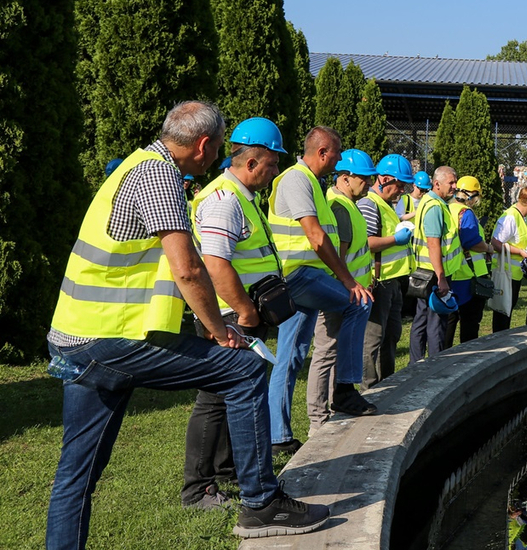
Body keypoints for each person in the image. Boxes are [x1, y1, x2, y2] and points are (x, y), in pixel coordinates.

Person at [45, 102, 328, 548]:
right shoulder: (159, 177)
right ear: (204, 145)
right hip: (110, 339)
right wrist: (221, 331)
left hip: (74, 339)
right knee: (246, 369)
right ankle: (260, 504)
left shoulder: (136, 165)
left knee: (75, 476)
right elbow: (190, 269)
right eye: (217, 150)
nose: (216, 160)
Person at [182, 117, 285, 510]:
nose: (276, 172)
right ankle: (198, 489)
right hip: (228, 316)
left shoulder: (241, 196)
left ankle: (227, 472)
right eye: (273, 164)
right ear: (252, 162)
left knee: (231, 398)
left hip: (238, 314)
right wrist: (245, 312)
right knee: (213, 400)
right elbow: (216, 264)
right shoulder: (225, 200)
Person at [267, 127, 374, 455]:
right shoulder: (296, 179)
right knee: (358, 303)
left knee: (290, 356)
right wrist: (347, 281)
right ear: (323, 151)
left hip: (304, 279)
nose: (339, 160)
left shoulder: (313, 183)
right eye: (337, 154)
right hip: (299, 277)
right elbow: (315, 237)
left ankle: (278, 436)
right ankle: (344, 390)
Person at [307, 149, 378, 433]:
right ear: (345, 178)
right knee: (326, 350)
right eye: (364, 178)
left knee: (332, 350)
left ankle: (336, 405)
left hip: (348, 291)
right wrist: (349, 286)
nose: (369, 184)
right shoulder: (340, 207)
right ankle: (318, 419)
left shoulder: (347, 204)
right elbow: (340, 255)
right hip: (342, 293)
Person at [358, 154, 415, 389]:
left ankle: (388, 383)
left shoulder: (385, 205)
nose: (402, 191)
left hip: (392, 282)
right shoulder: (369, 204)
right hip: (377, 282)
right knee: (373, 338)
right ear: (383, 179)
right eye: (399, 185)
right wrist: (396, 239)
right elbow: (368, 243)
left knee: (390, 336)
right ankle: (369, 388)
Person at [410, 166, 462, 357]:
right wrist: (441, 278)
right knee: (436, 323)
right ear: (437, 183)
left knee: (421, 320)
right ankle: (435, 364)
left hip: (425, 271)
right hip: (434, 274)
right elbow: (433, 244)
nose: (455, 186)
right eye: (451, 182)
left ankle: (415, 365)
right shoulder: (435, 206)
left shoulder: (429, 201)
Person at [445, 175, 492, 343]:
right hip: (469, 275)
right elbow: (471, 242)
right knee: (470, 323)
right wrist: (488, 248)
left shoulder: (448, 208)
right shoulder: (467, 213)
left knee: (449, 321)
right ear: (472, 195)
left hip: (453, 271)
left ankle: (443, 357)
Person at [491, 186, 527, 332]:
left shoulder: (524, 217)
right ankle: (499, 342)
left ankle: (502, 340)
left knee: (508, 310)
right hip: (505, 273)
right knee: (502, 312)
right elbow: (495, 243)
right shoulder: (511, 217)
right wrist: (519, 252)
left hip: (515, 273)